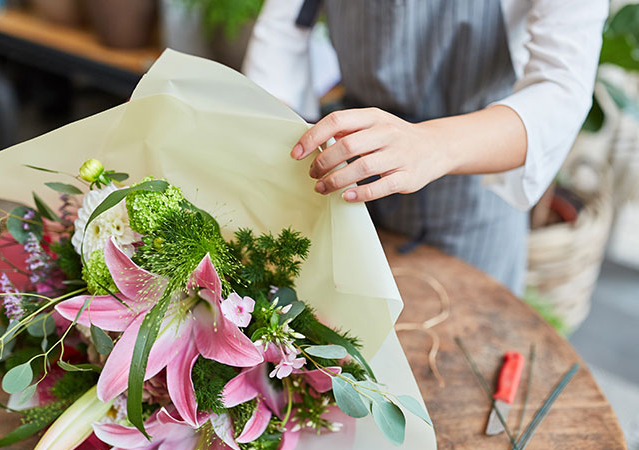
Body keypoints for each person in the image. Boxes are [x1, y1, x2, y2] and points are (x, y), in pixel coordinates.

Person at [243, 0, 608, 294]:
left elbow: (561, 89)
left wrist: (431, 144)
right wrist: (272, 146)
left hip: (473, 194)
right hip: (348, 180)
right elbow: (284, 32)